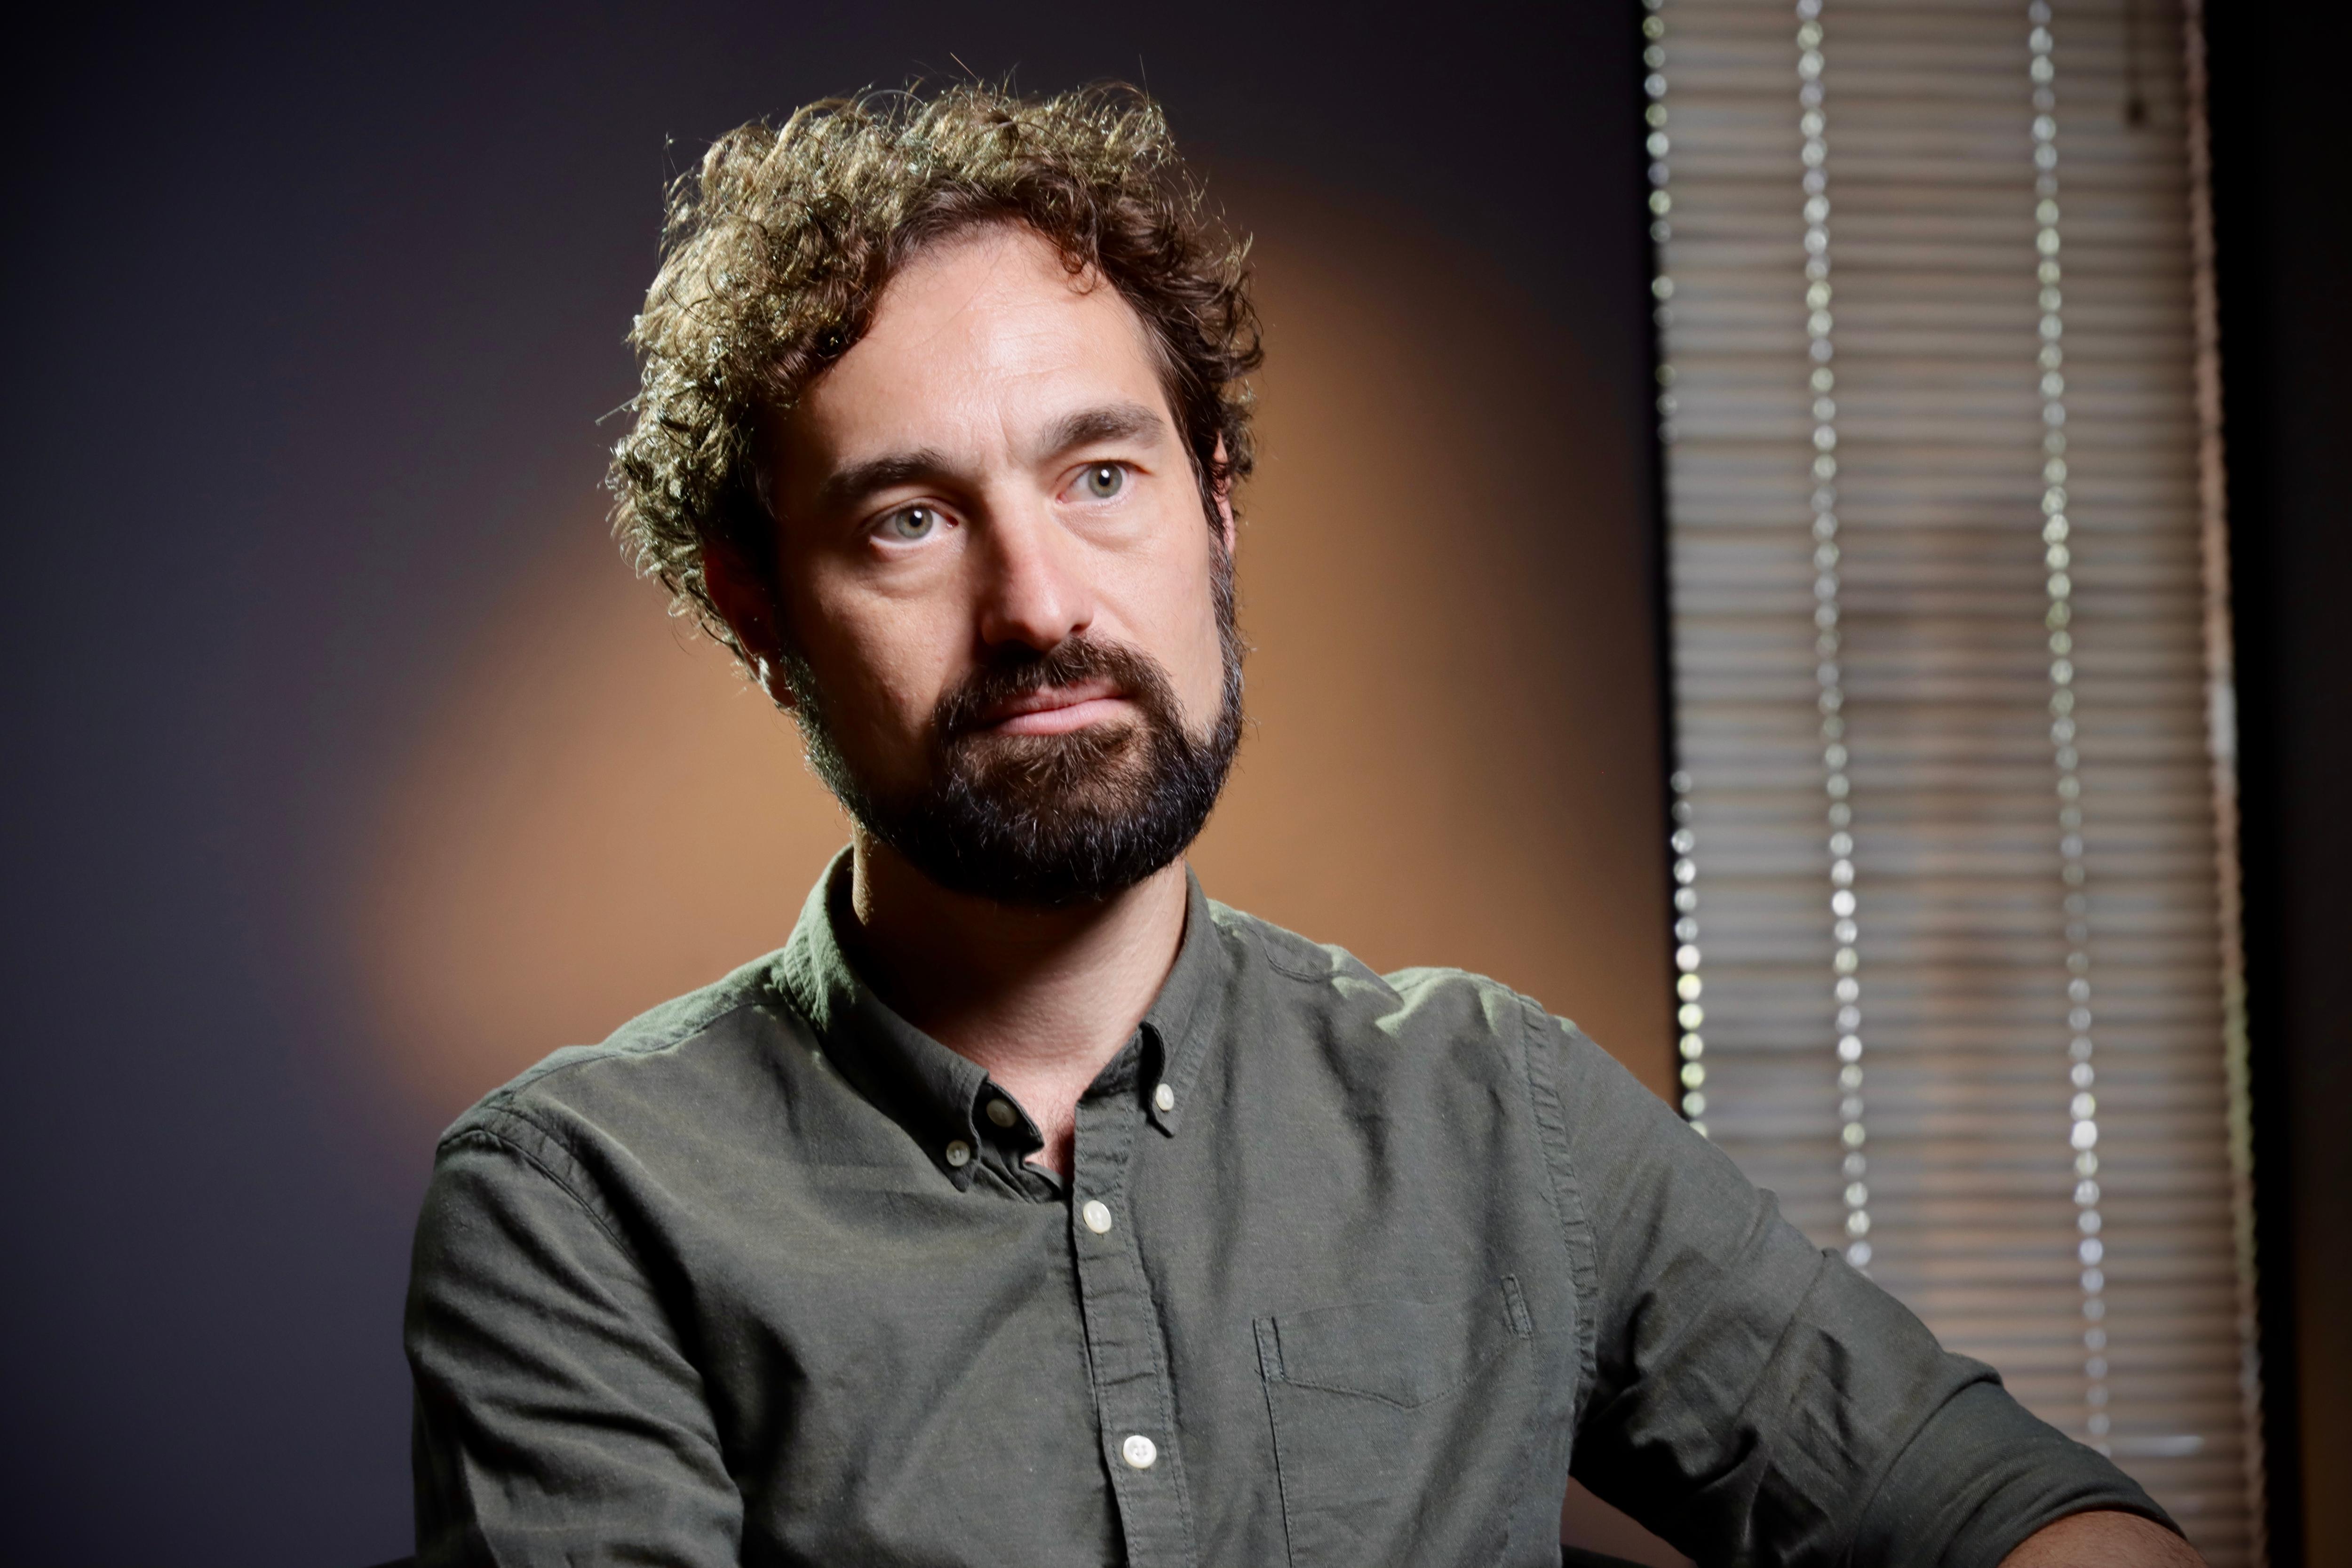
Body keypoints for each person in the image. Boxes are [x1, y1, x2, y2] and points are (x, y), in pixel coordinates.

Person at [403, 83, 2199, 1568]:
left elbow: (1994, 1511)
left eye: (1102, 477)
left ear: (1218, 519)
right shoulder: (584, 1207)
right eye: (908, 520)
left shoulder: (1500, 1107)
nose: (1042, 603)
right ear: (757, 608)